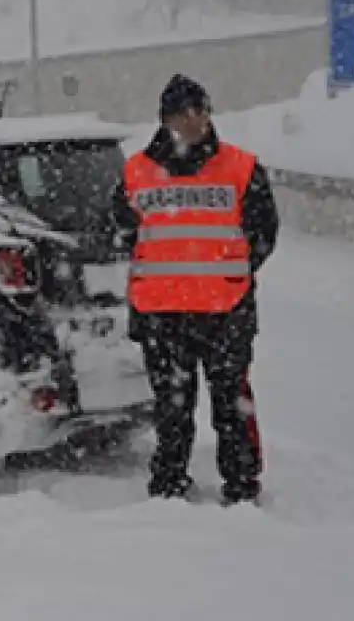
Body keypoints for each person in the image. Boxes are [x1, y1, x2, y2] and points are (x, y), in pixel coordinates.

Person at [112, 74, 279, 504]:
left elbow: (264, 233)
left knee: (232, 406)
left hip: (225, 312)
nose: (192, 121)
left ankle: (242, 486)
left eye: (199, 111)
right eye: (182, 113)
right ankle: (168, 484)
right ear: (165, 120)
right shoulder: (135, 173)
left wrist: (227, 275)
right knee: (171, 408)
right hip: (161, 314)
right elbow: (121, 230)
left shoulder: (241, 167)